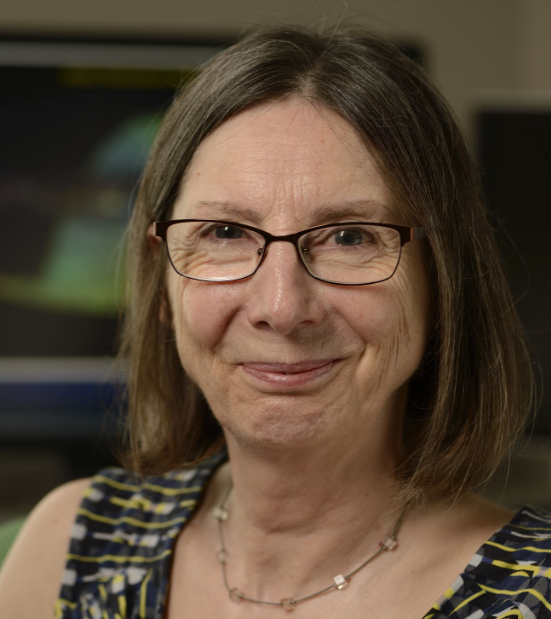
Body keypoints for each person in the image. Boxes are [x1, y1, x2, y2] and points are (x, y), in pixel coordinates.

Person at [0, 26, 544, 619]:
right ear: (162, 282)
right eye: (225, 233)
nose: (281, 308)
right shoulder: (72, 550)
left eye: (349, 235)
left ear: (442, 280)